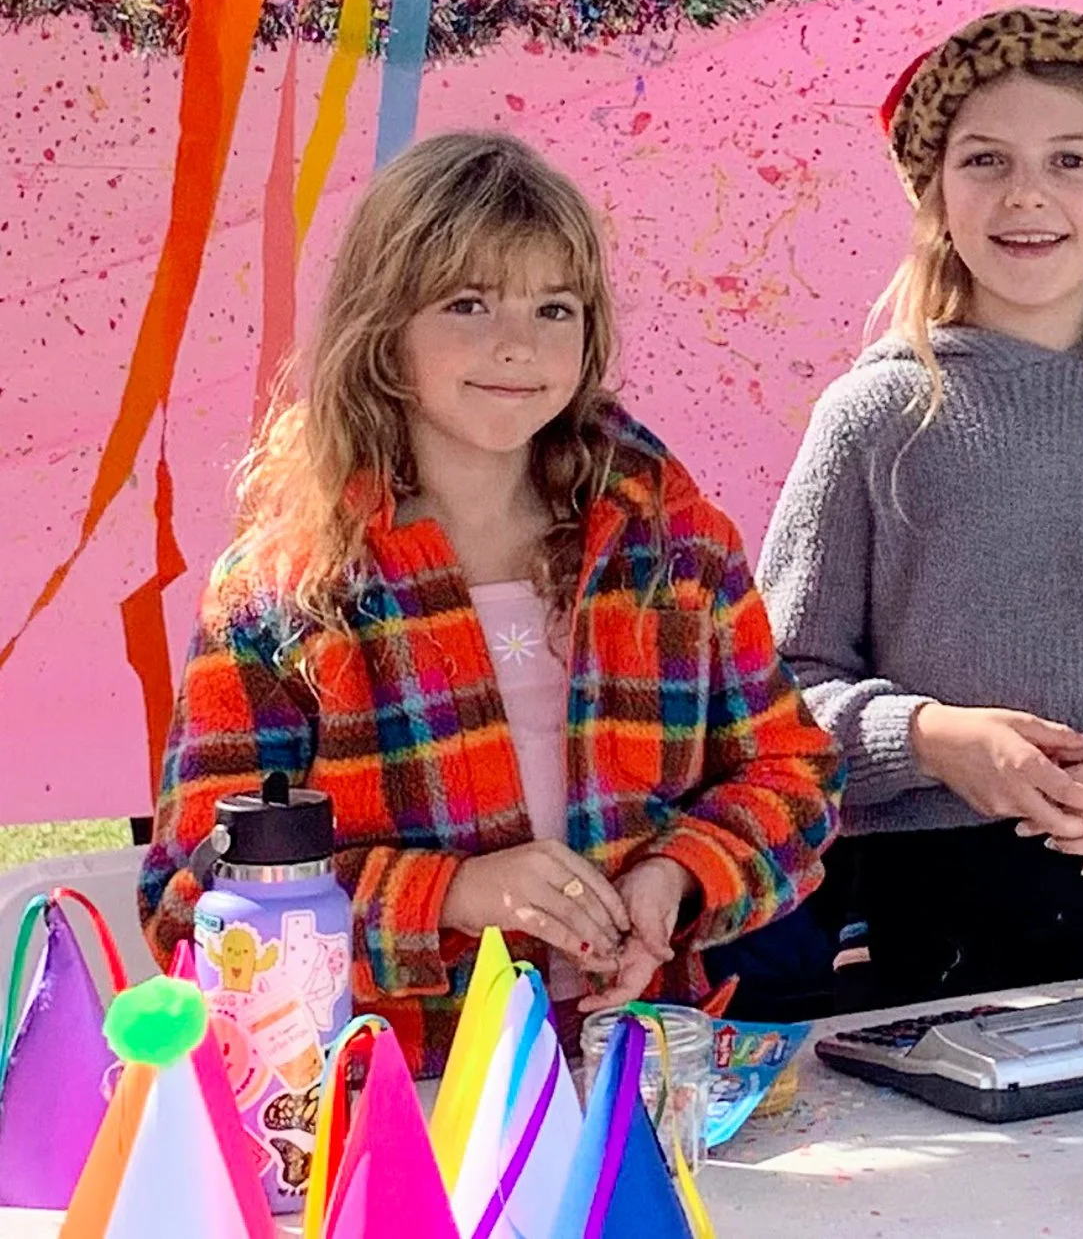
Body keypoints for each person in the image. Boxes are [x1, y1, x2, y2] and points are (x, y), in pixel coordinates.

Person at [139, 132, 841, 1075]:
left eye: (556, 308)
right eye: (468, 303)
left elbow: (796, 774)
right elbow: (192, 895)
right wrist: (455, 895)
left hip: (636, 1072)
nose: (518, 344)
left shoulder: (675, 547)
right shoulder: (284, 591)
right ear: (383, 333)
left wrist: (678, 876)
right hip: (392, 1093)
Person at [757, 7, 1083, 1008]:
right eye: (985, 161)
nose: (1026, 194)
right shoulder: (874, 417)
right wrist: (929, 737)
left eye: (1070, 161)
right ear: (936, 192)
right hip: (916, 913)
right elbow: (778, 694)